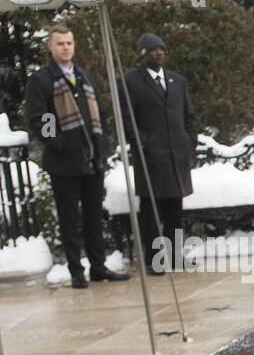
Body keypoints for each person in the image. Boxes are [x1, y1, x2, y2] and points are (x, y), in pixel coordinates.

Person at [23, 23, 127, 288]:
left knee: (93, 216)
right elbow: (39, 118)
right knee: (69, 218)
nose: (66, 47)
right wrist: (58, 142)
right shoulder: (42, 80)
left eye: (69, 43)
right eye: (60, 43)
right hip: (64, 163)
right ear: (50, 46)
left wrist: (102, 142)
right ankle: (76, 270)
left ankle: (98, 266)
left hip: (92, 159)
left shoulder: (84, 76)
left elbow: (101, 114)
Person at [120, 32, 197, 274]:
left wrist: (188, 140)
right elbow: (126, 119)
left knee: (175, 210)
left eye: (161, 48)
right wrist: (144, 143)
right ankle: (154, 260)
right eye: (153, 49)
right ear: (143, 54)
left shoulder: (177, 81)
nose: (159, 53)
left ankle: (176, 255)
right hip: (150, 159)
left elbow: (189, 115)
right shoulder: (131, 81)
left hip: (176, 157)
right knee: (152, 211)